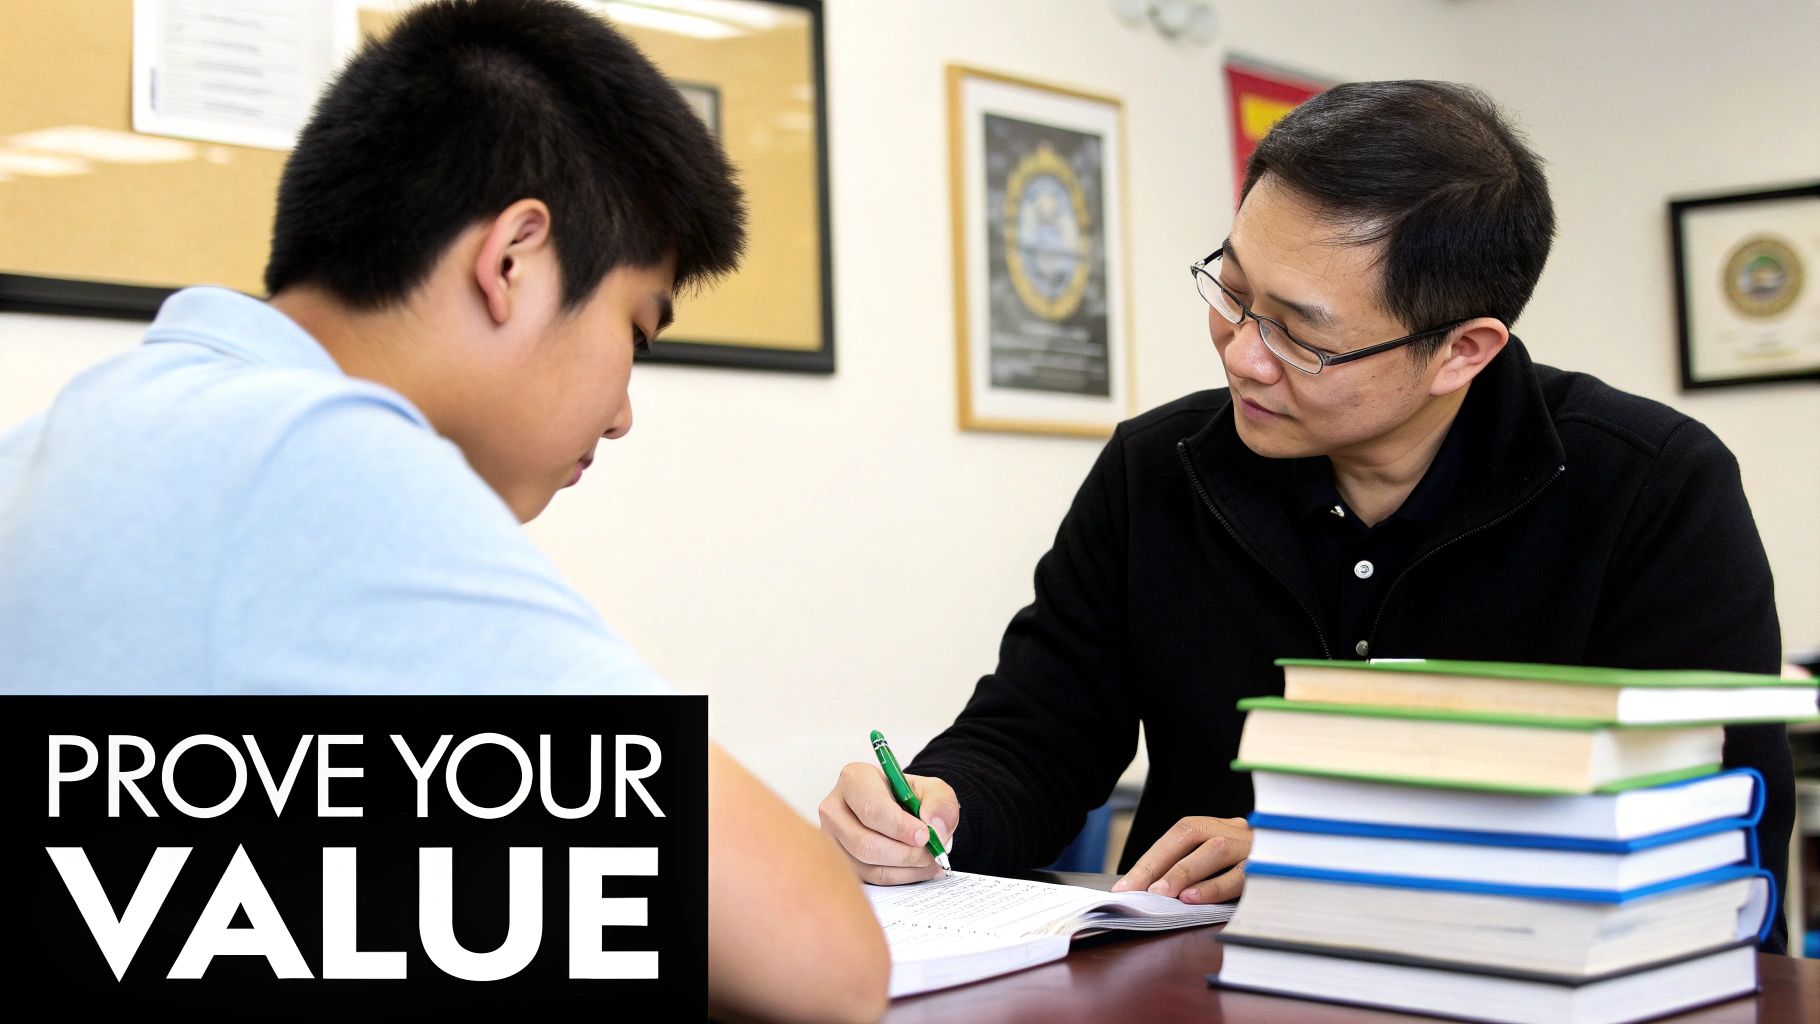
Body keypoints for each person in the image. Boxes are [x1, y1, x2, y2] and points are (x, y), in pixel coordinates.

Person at [0, 1, 887, 1018]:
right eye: (636, 334)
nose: (624, 412)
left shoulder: (66, 439)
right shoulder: (314, 457)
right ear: (513, 256)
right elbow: (823, 962)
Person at [819, 80, 1797, 953]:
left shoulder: (1648, 488)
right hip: (1197, 981)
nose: (1241, 354)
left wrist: (1328, 858)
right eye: (1232, 292)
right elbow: (1037, 733)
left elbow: (1712, 831)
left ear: (1462, 349)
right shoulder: (1155, 470)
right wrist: (937, 804)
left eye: (1298, 334)